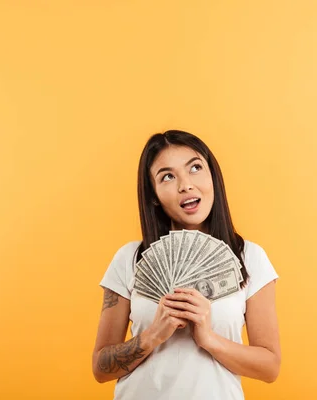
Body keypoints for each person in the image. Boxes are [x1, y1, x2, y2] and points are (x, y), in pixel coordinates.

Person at [92, 130, 281, 399]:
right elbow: (101, 368)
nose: (186, 185)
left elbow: (269, 367)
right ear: (154, 195)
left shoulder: (250, 257)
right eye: (167, 176)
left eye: (195, 168)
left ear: (212, 177)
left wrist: (209, 338)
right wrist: (153, 335)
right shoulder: (129, 258)